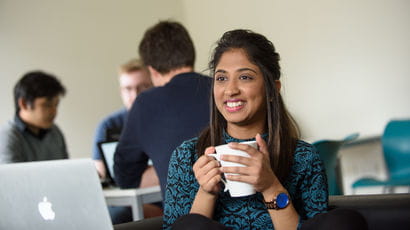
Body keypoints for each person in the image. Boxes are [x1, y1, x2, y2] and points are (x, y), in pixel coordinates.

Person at [164, 30, 367, 229]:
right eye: (221, 78)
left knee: (345, 220)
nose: (231, 90)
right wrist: (206, 192)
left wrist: (270, 186)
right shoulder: (186, 156)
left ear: (272, 90)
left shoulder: (304, 157)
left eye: (245, 77)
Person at [114, 21, 212, 200]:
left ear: (152, 70)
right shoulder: (222, 88)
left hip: (184, 220)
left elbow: (125, 176)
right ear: (191, 53)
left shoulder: (145, 104)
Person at [92, 58, 153, 179]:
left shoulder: (167, 120)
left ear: (154, 86)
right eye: (128, 89)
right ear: (121, 92)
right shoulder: (108, 125)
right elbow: (100, 173)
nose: (135, 95)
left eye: (143, 87)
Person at [0, 71, 68, 163]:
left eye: (56, 105)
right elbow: (12, 177)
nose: (54, 111)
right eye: (47, 105)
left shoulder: (55, 132)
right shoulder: (8, 137)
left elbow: (66, 170)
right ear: (23, 104)